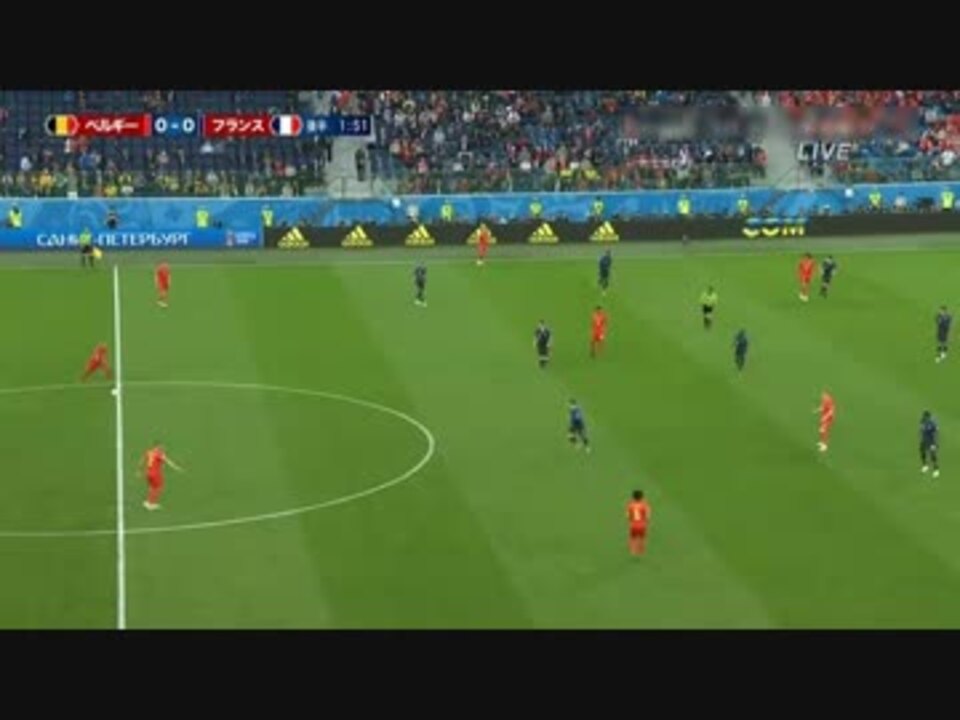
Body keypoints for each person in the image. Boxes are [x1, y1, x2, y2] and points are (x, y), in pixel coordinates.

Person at [140, 443, 185, 510]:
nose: (162, 449)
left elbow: (142, 460)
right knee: (158, 488)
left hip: (148, 472)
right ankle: (151, 504)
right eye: (161, 448)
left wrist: (139, 469)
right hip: (155, 473)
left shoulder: (149, 452)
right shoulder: (159, 454)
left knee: (152, 487)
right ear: (158, 448)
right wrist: (177, 468)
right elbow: (168, 461)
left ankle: (147, 501)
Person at [626, 490, 651, 556]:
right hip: (642, 524)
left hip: (633, 524)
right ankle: (641, 550)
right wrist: (646, 523)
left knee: (632, 537)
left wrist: (630, 521)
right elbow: (647, 516)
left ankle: (632, 551)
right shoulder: (645, 505)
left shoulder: (630, 505)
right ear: (642, 497)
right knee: (642, 538)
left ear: (633, 497)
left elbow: (628, 516)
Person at [920, 410, 940, 478]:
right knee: (922, 452)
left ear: (928, 417)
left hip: (931, 441)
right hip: (924, 440)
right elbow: (921, 430)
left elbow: (936, 432)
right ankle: (925, 466)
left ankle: (936, 470)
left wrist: (935, 443)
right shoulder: (922, 421)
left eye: (925, 417)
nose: (924, 418)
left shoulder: (932, 423)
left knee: (932, 455)